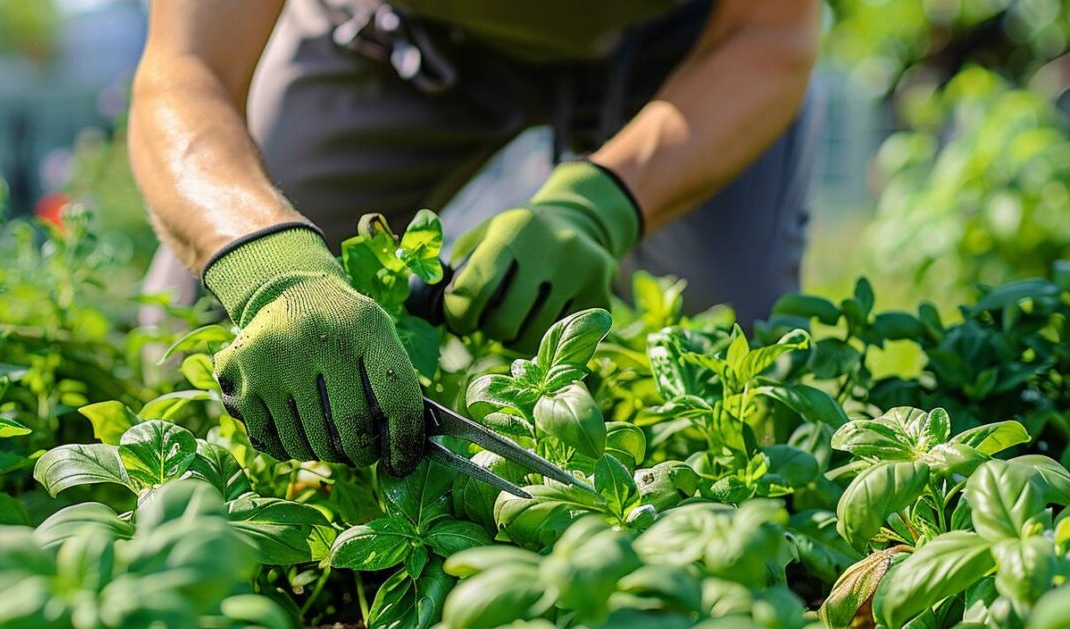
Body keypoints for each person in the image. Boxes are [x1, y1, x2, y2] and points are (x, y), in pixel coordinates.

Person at [128, 0, 822, 478]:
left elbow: (771, 32)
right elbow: (185, 70)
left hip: (679, 47)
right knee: (200, 320)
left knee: (722, 347)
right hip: (404, 32)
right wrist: (268, 267)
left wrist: (599, 206)